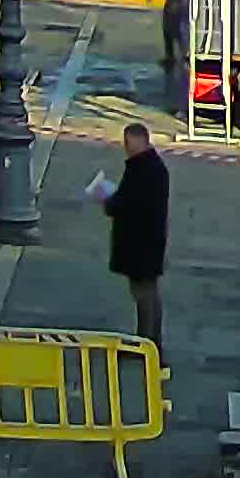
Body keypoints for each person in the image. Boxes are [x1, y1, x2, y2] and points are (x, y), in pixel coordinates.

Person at [98, 121, 170, 351]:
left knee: (144, 293)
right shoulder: (152, 165)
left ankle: (148, 343)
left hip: (140, 241)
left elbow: (128, 203)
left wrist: (109, 201)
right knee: (146, 292)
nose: (125, 148)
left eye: (128, 143)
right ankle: (147, 340)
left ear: (138, 141)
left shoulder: (142, 169)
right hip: (148, 239)